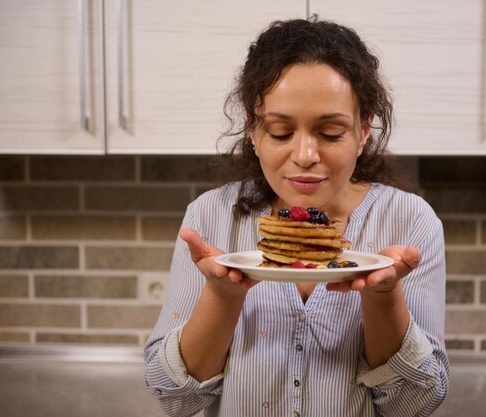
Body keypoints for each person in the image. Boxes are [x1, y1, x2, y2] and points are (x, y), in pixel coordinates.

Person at [144, 17, 449, 417]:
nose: (305, 155)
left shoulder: (409, 223)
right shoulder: (210, 216)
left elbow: (416, 404)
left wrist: (382, 297)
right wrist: (222, 297)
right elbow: (175, 399)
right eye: (281, 132)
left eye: (331, 132)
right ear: (253, 131)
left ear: (363, 129)